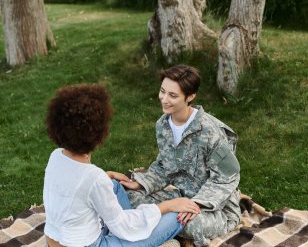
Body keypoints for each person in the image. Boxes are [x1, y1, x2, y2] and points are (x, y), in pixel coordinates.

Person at [43, 84, 200, 247]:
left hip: (54, 241)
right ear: (98, 134)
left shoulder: (56, 156)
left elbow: (76, 186)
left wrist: (107, 176)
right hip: (91, 244)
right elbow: (123, 225)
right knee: (177, 216)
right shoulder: (94, 178)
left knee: (114, 186)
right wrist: (166, 206)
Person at [124, 65, 241, 246]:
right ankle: (164, 228)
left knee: (187, 223)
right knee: (131, 198)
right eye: (163, 91)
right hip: (178, 196)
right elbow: (165, 166)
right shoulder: (163, 125)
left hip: (213, 207)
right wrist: (142, 183)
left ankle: (161, 230)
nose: (164, 99)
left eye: (173, 95)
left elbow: (227, 176)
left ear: (190, 97)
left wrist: (198, 204)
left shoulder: (210, 131)